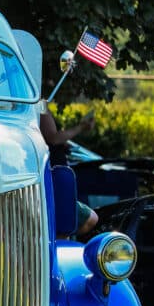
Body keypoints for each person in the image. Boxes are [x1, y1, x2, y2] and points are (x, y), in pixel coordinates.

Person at [38, 99, 98, 238]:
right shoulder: (40, 105)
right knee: (90, 218)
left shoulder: (38, 104)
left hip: (55, 177)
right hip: (55, 178)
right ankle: (57, 240)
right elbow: (53, 138)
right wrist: (80, 127)